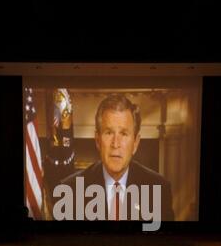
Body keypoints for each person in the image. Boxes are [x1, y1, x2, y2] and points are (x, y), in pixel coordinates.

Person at [60, 93, 174, 221]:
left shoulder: (159, 189)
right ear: (98, 140)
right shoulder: (70, 190)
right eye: (108, 133)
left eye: (124, 134)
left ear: (135, 143)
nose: (115, 144)